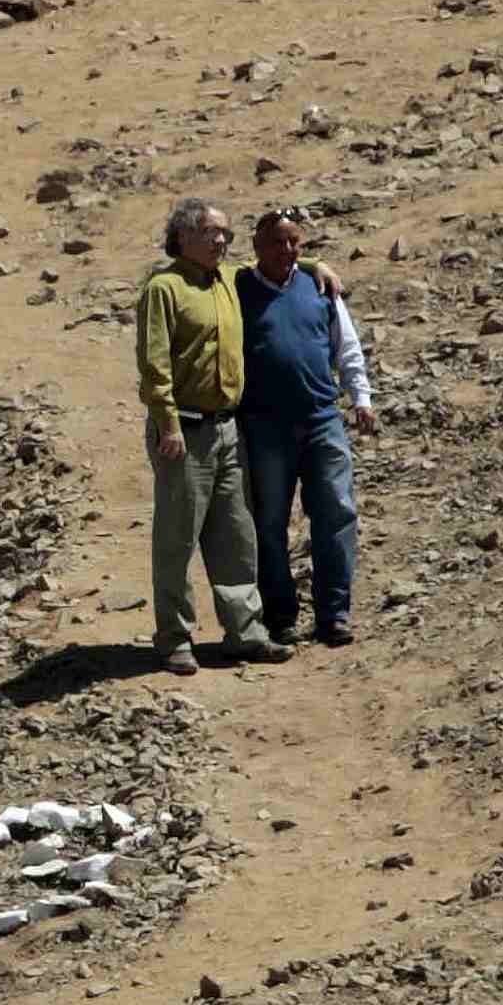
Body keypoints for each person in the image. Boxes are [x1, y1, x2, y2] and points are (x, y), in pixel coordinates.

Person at [136, 198, 291, 676]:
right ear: (183, 236)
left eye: (225, 232)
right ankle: (174, 638)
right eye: (211, 232)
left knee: (235, 534)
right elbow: (154, 365)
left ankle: (245, 632)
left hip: (228, 428)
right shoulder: (164, 288)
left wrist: (314, 262)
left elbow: (273, 260)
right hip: (183, 430)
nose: (222, 240)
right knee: (178, 538)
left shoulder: (226, 278)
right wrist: (167, 424)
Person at [236, 211, 378, 646]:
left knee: (336, 513)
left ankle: (334, 613)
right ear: (257, 244)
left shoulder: (319, 288)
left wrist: (361, 397)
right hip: (265, 425)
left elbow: (345, 345)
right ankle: (280, 615)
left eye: (295, 242)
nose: (287, 251)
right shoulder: (237, 288)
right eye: (277, 242)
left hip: (321, 418)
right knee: (270, 521)